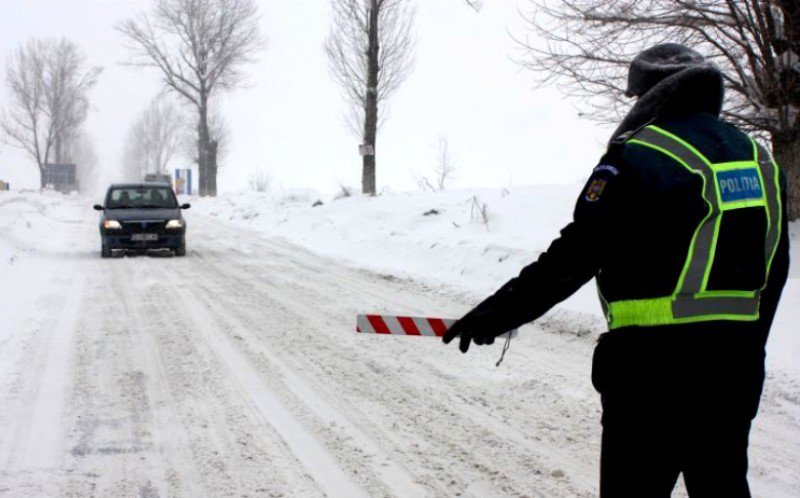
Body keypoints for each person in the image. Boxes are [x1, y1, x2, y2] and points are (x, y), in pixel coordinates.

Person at [443, 43, 790, 497]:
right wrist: (747, 348)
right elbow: (776, 267)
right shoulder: (759, 158)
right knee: (722, 486)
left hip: (651, 372)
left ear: (647, 96)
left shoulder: (640, 154)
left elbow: (574, 256)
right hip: (734, 367)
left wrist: (496, 315)